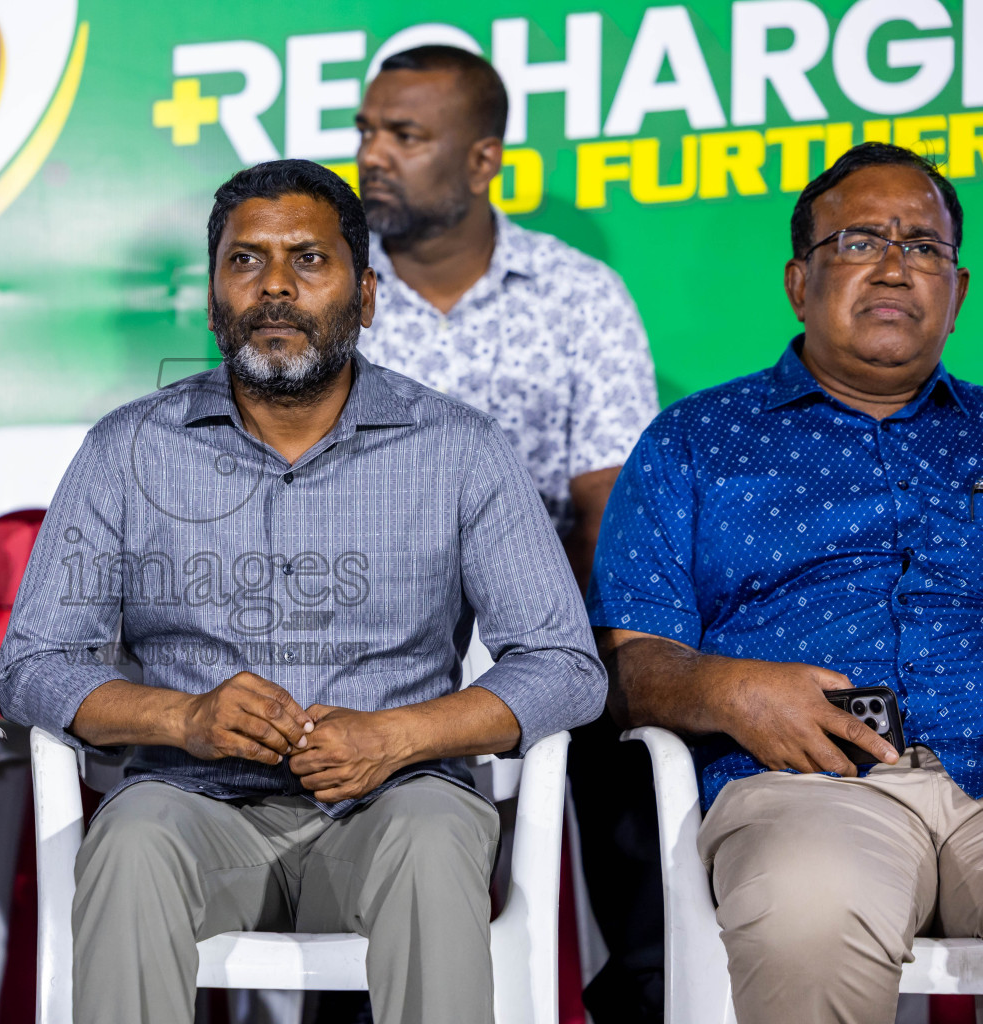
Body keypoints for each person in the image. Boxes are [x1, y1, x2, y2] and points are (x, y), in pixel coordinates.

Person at [0, 158, 606, 1024]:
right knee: (128, 845)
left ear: (364, 297)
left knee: (435, 841)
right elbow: (34, 665)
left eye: (309, 260)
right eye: (245, 261)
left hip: (394, 809)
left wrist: (397, 736)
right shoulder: (129, 450)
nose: (275, 286)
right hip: (195, 812)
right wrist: (184, 718)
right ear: (212, 296)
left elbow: (565, 665)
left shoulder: (459, 448)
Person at [589, 142, 973, 1024]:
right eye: (860, 240)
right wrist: (724, 688)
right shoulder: (694, 442)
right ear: (799, 283)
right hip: (808, 794)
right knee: (810, 910)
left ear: (956, 297)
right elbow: (625, 664)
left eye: (923, 247)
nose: (893, 264)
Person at [354, 44, 662, 1019]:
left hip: (541, 609)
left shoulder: (579, 297)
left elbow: (610, 513)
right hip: (362, 620)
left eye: (404, 136)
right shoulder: (326, 289)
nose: (373, 155)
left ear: (483, 161)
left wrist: (557, 644)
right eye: (367, 131)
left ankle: (645, 982)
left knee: (621, 689)